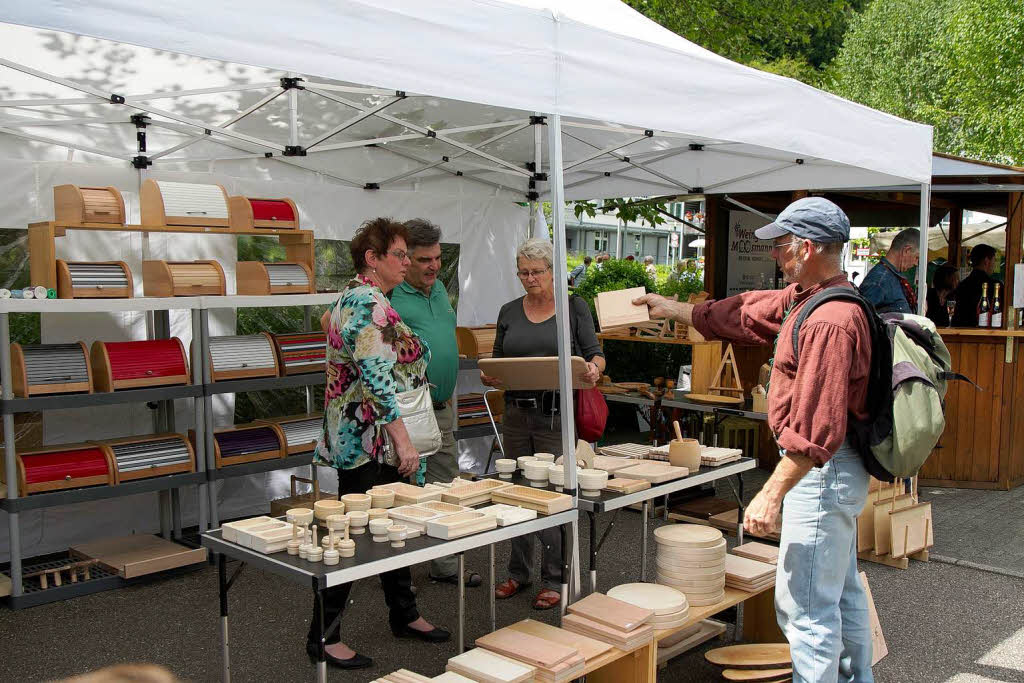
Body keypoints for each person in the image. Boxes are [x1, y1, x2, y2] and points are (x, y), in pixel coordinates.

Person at [636, 197, 874, 683]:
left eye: (783, 246)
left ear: (807, 248)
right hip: (833, 470)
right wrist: (673, 309)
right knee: (840, 593)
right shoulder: (810, 298)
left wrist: (770, 493)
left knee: (805, 608)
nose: (775, 256)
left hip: (821, 472)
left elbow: (814, 431)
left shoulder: (830, 319)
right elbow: (743, 314)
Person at [311, 217, 450, 669]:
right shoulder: (368, 302)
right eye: (400, 255)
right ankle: (324, 636)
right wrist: (404, 442)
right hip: (369, 441)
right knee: (353, 536)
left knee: (393, 529)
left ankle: (404, 613)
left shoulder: (365, 299)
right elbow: (375, 381)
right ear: (373, 260)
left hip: (365, 438)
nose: (407, 262)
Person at [482, 237, 605, 610]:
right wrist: (492, 377)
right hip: (517, 414)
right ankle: (518, 572)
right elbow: (498, 360)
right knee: (517, 492)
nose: (530, 278)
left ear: (553, 271)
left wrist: (593, 370)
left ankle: (556, 578)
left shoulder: (573, 307)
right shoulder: (508, 310)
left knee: (553, 497)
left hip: (556, 416)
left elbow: (596, 355)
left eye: (537, 271)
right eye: (523, 272)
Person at [389, 218, 481, 588]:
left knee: (445, 484)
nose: (434, 266)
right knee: (405, 489)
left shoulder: (440, 289)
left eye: (438, 258)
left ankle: (444, 565)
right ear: (405, 260)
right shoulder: (389, 295)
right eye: (425, 259)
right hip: (408, 408)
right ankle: (397, 573)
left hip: (442, 405)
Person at [858, 228, 920, 313]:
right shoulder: (879, 281)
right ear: (906, 250)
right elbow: (861, 318)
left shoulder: (892, 277)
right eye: (917, 257)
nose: (916, 263)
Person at [951, 244, 998, 327]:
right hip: (988, 334)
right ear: (986, 261)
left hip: (960, 333)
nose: (994, 265)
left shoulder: (962, 285)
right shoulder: (995, 286)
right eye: (994, 261)